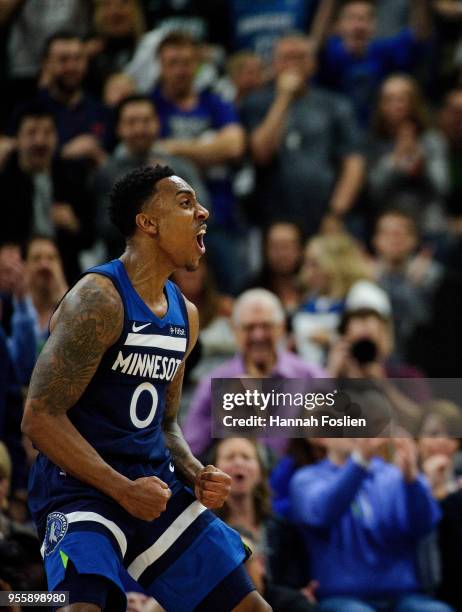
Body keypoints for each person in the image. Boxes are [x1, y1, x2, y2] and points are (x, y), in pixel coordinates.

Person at [21, 165, 271, 612]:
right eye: (186, 203)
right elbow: (39, 417)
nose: (203, 212)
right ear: (148, 222)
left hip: (151, 482)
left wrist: (195, 471)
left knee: (249, 607)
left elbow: (164, 422)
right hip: (78, 485)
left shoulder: (185, 315)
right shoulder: (99, 298)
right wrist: (121, 489)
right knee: (83, 607)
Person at [290, 437, 452, 612]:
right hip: (340, 597)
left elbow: (424, 526)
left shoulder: (393, 475)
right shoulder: (306, 480)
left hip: (403, 595)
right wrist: (359, 462)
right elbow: (323, 513)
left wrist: (412, 482)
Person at [239, 33, 365, 234]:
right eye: (287, 58)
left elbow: (353, 163)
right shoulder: (256, 103)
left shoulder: (335, 105)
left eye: (300, 57)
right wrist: (283, 97)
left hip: (324, 214)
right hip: (272, 220)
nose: (294, 64)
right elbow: (261, 154)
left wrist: (336, 213)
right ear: (274, 64)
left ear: (313, 64)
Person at [183, 288, 326, 459]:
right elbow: (191, 450)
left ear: (281, 328)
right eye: (249, 327)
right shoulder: (213, 383)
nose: (258, 335)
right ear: (235, 330)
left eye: (266, 326)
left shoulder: (310, 375)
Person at [92, 94, 210, 258]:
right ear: (119, 128)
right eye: (132, 122)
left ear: (157, 123)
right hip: (125, 258)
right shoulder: (107, 172)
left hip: (178, 257)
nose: (140, 129)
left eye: (146, 121)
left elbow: (203, 211)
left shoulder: (180, 166)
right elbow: (105, 226)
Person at [0, 103, 95, 282]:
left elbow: (90, 238)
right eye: (31, 133)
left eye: (47, 133)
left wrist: (74, 224)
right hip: (15, 268)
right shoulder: (5, 179)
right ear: (17, 139)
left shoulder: (72, 176)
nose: (40, 141)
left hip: (64, 268)